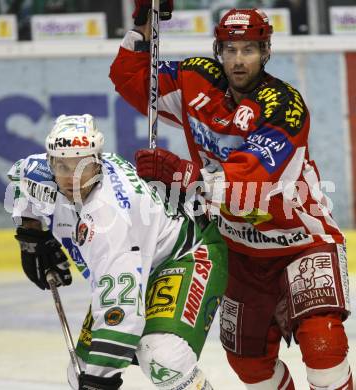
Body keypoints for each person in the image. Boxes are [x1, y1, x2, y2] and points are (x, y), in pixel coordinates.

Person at [109, 3, 353, 389]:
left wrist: (182, 174)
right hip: (237, 251)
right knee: (248, 365)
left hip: (302, 242)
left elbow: (251, 179)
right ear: (218, 50)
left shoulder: (283, 106)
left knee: (324, 344)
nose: (239, 61)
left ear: (266, 51)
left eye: (250, 50)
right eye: (230, 50)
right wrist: (142, 26)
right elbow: (132, 79)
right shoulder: (195, 81)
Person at [6, 114, 228, 390]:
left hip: (185, 255)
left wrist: (98, 384)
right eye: (62, 165)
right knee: (81, 371)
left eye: (81, 166)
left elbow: (121, 319)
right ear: (49, 162)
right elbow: (20, 180)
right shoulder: (38, 172)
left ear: (97, 162)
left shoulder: (109, 218)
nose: (71, 178)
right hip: (138, 258)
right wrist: (32, 237)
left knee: (161, 358)